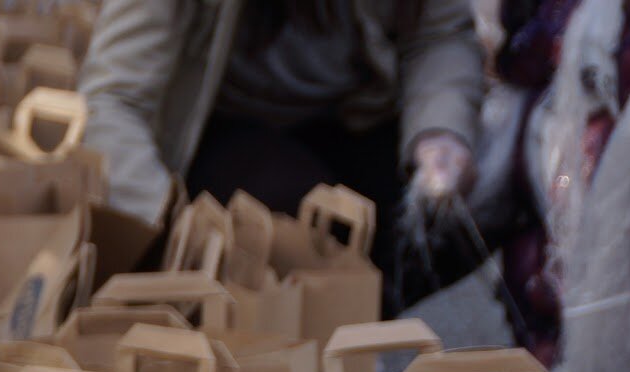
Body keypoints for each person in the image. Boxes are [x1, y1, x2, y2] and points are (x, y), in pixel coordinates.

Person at [79, 0, 486, 283]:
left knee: (460, 214)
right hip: (222, 128)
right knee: (296, 226)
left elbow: (440, 36)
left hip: (357, 115)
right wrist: (171, 224)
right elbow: (112, 100)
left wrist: (439, 133)